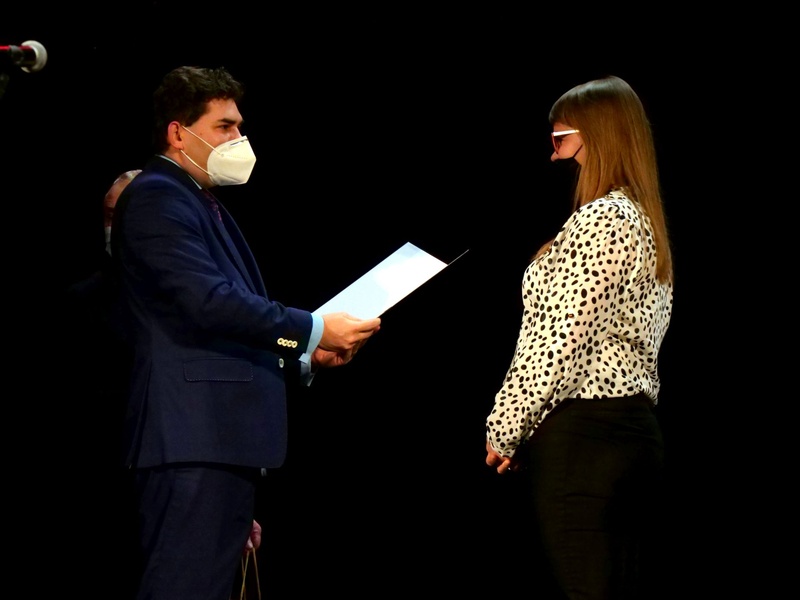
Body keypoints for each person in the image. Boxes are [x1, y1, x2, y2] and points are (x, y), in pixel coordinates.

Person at [110, 65, 381, 600]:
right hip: (192, 438)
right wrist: (312, 329)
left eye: (239, 126)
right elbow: (208, 304)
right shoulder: (159, 196)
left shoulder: (196, 198)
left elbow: (222, 319)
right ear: (177, 132)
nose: (239, 139)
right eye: (224, 126)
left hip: (216, 440)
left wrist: (304, 355)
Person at [484, 75, 674, 599]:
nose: (554, 155)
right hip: (631, 438)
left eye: (560, 139)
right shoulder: (644, 223)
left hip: (588, 441)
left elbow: (558, 339)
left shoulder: (605, 218)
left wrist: (505, 428)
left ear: (598, 135)